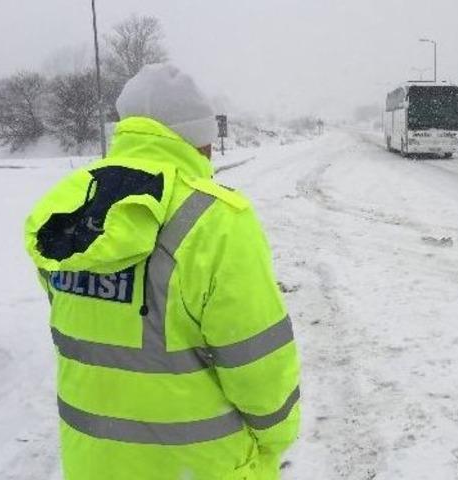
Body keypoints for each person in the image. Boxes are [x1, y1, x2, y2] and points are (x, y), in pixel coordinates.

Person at [24, 64, 300, 480]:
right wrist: (277, 437)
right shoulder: (216, 221)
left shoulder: (67, 209)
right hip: (197, 466)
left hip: (91, 464)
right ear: (198, 141)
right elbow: (258, 365)